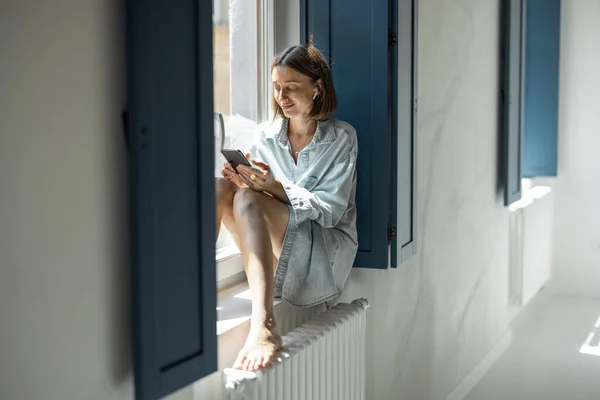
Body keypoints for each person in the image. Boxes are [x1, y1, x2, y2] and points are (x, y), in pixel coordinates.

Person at [215, 44, 358, 372]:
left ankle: (264, 325)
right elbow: (249, 200)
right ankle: (192, 293)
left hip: (321, 258)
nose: (282, 97)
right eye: (277, 88)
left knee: (250, 199)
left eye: (292, 88)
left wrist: (273, 188)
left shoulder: (342, 138)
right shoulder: (265, 136)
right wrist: (243, 180)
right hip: (275, 253)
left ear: (317, 87)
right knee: (222, 188)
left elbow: (331, 210)